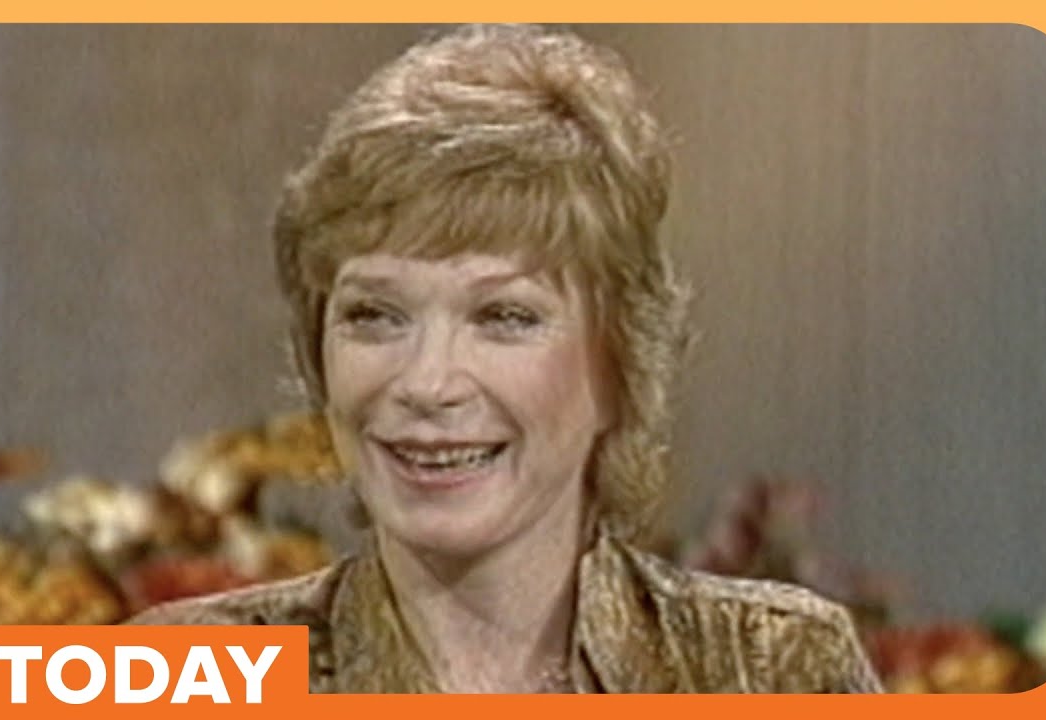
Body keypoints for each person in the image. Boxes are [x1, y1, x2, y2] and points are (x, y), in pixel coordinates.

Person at [129, 23, 883, 694]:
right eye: (374, 315)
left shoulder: (773, 668)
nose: (428, 383)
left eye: (503, 317)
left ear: (619, 363)